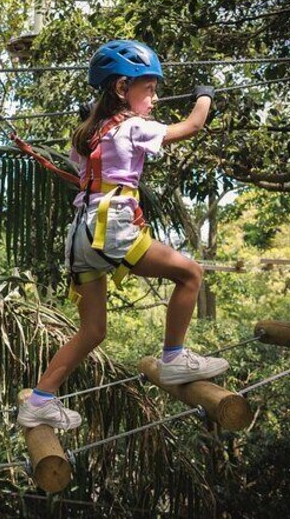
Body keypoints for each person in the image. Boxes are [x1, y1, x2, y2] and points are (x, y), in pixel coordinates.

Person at [17, 40, 229, 429]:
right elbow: (192, 126)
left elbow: (83, 168)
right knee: (190, 274)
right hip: (112, 227)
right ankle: (174, 357)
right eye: (148, 88)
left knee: (93, 330)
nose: (155, 97)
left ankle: (41, 399)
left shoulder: (89, 133)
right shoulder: (133, 125)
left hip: (82, 234)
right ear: (121, 89)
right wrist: (205, 97)